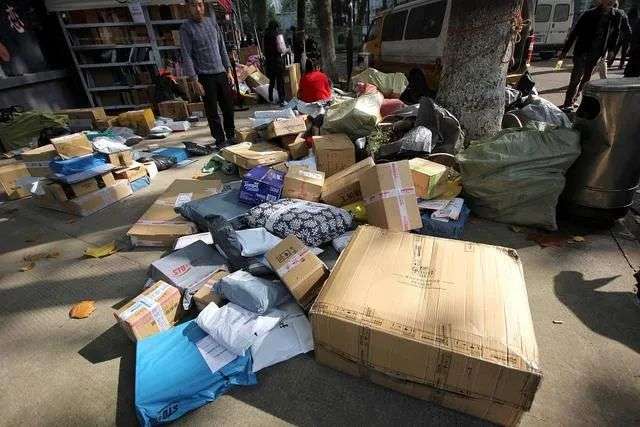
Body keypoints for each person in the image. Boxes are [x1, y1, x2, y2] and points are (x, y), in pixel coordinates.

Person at [180, 0, 235, 147]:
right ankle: (220, 140)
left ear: (203, 5)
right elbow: (186, 55)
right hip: (205, 76)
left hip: (221, 73)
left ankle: (231, 135)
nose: (198, 9)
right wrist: (194, 80)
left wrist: (228, 69)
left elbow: (221, 47)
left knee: (228, 108)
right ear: (188, 7)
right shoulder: (186, 28)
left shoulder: (212, 23)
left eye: (200, 4)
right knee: (212, 112)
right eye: (193, 5)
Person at [559, 0, 617, 110]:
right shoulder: (589, 14)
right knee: (576, 78)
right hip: (582, 52)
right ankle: (568, 103)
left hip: (596, 55)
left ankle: (574, 99)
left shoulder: (614, 16)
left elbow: (614, 34)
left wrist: (611, 50)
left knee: (586, 80)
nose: (610, 1)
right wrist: (564, 51)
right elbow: (574, 33)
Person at [263, 20, 287, 105]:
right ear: (276, 26)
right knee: (280, 81)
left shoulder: (265, 35)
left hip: (269, 61)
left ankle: (270, 97)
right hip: (277, 60)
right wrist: (285, 51)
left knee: (272, 81)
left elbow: (264, 50)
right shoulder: (277, 35)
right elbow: (281, 49)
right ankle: (281, 99)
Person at [606, 2, 632, 70]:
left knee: (616, 49)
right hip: (626, 33)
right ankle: (620, 65)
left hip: (621, 33)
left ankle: (610, 63)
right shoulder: (622, 12)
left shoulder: (616, 13)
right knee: (623, 50)